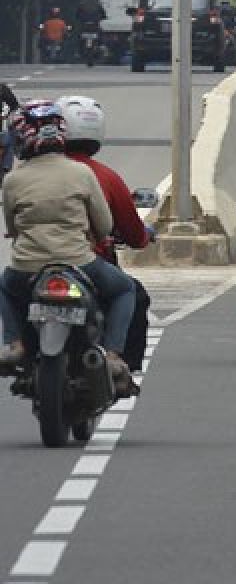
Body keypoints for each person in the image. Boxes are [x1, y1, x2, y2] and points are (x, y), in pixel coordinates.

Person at [0, 101, 137, 396]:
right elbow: (103, 225)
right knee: (125, 289)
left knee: (5, 287)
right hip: (79, 262)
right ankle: (113, 356)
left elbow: (12, 227)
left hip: (26, 267)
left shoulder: (13, 180)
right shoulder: (81, 173)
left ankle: (15, 344)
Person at [57, 95, 155, 373]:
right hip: (87, 262)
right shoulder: (103, 177)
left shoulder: (27, 173)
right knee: (131, 293)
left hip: (38, 264)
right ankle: (121, 363)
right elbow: (130, 232)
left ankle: (17, 345)